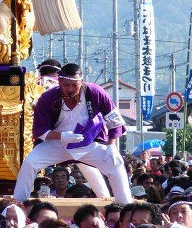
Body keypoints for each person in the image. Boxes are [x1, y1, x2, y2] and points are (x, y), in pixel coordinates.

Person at [14, 62, 131, 203]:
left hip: (87, 145)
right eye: (66, 85)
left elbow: (115, 121)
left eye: (74, 85)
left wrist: (112, 146)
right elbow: (40, 130)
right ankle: (19, 203)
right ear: (60, 81)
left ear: (81, 82)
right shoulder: (48, 97)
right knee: (29, 163)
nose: (70, 89)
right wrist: (62, 136)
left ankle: (125, 205)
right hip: (56, 144)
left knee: (116, 164)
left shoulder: (95, 92)